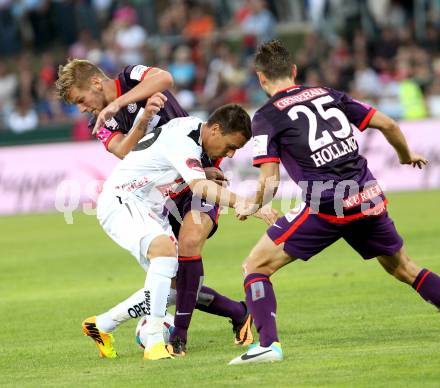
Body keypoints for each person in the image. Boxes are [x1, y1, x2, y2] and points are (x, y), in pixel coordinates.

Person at [229, 40, 438, 365]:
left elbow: (269, 182)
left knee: (254, 266)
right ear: (294, 71)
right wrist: (406, 156)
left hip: (327, 205)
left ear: (260, 78)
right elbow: (389, 124)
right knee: (405, 269)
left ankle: (268, 345)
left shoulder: (266, 117)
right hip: (368, 196)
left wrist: (252, 205)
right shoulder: (328, 94)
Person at [56, 60, 254, 358]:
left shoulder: (132, 76)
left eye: (81, 100)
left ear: (96, 83)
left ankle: (175, 338)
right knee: (175, 279)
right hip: (162, 189)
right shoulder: (100, 122)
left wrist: (121, 103)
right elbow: (122, 150)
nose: (83, 109)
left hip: (198, 173)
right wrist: (140, 117)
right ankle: (237, 313)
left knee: (188, 243)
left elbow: (164, 77)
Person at [96, 103, 256, 360]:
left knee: (178, 284)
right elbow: (200, 186)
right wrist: (242, 202)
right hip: (124, 199)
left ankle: (102, 325)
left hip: (150, 209)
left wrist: (201, 171)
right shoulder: (185, 138)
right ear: (215, 130)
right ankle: (156, 343)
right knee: (165, 251)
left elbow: (163, 162)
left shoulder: (191, 129)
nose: (231, 154)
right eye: (231, 146)